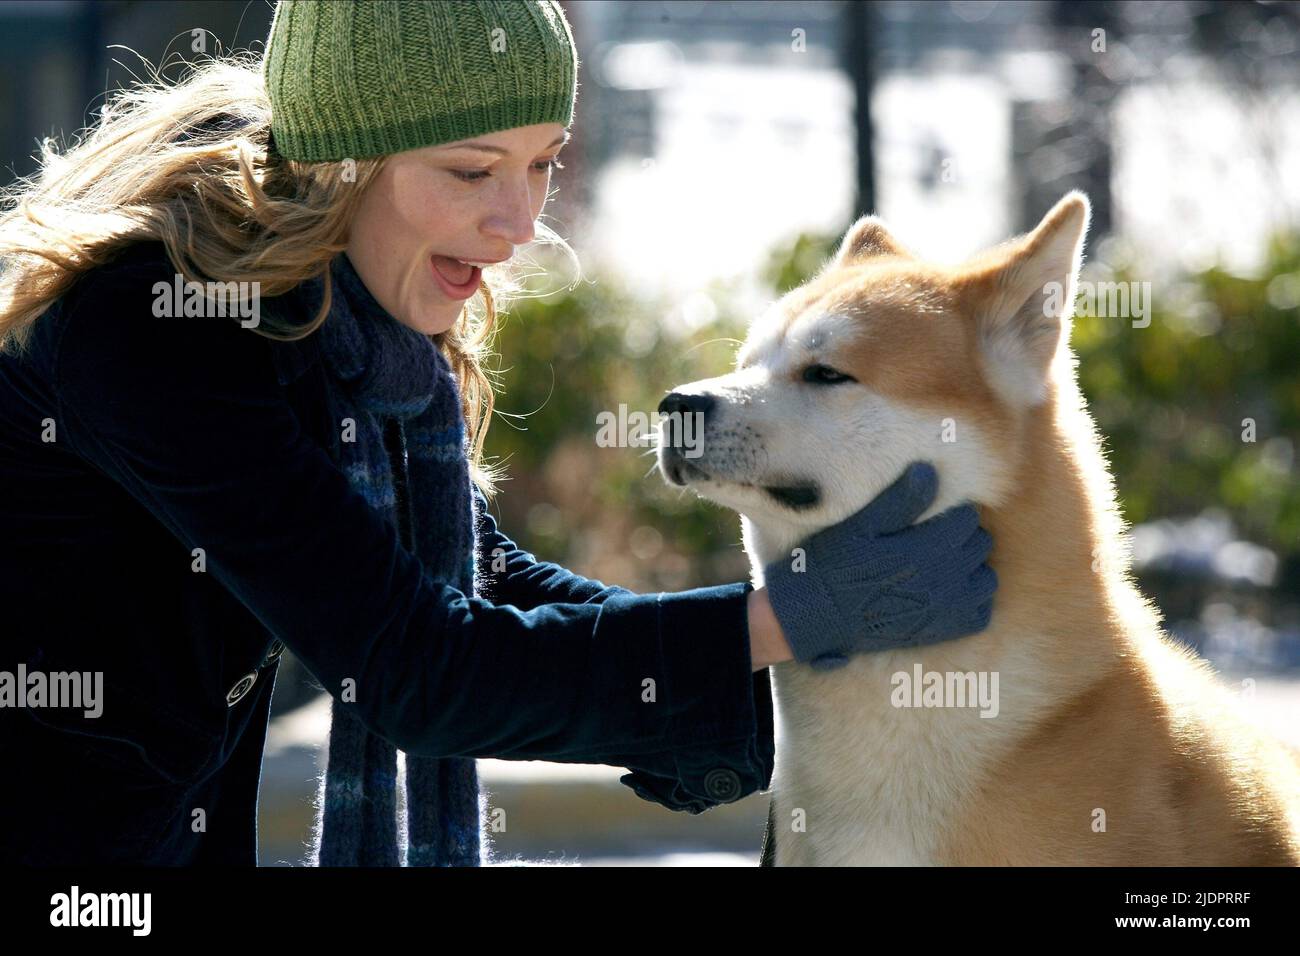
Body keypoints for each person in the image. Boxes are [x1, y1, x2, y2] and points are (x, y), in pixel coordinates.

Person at [0, 0, 997, 866]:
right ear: (347, 160)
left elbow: (477, 585)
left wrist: (782, 662)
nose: (518, 223)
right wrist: (795, 613)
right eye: (474, 170)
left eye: (539, 164)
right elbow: (416, 663)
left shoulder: (350, 327)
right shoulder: (154, 327)